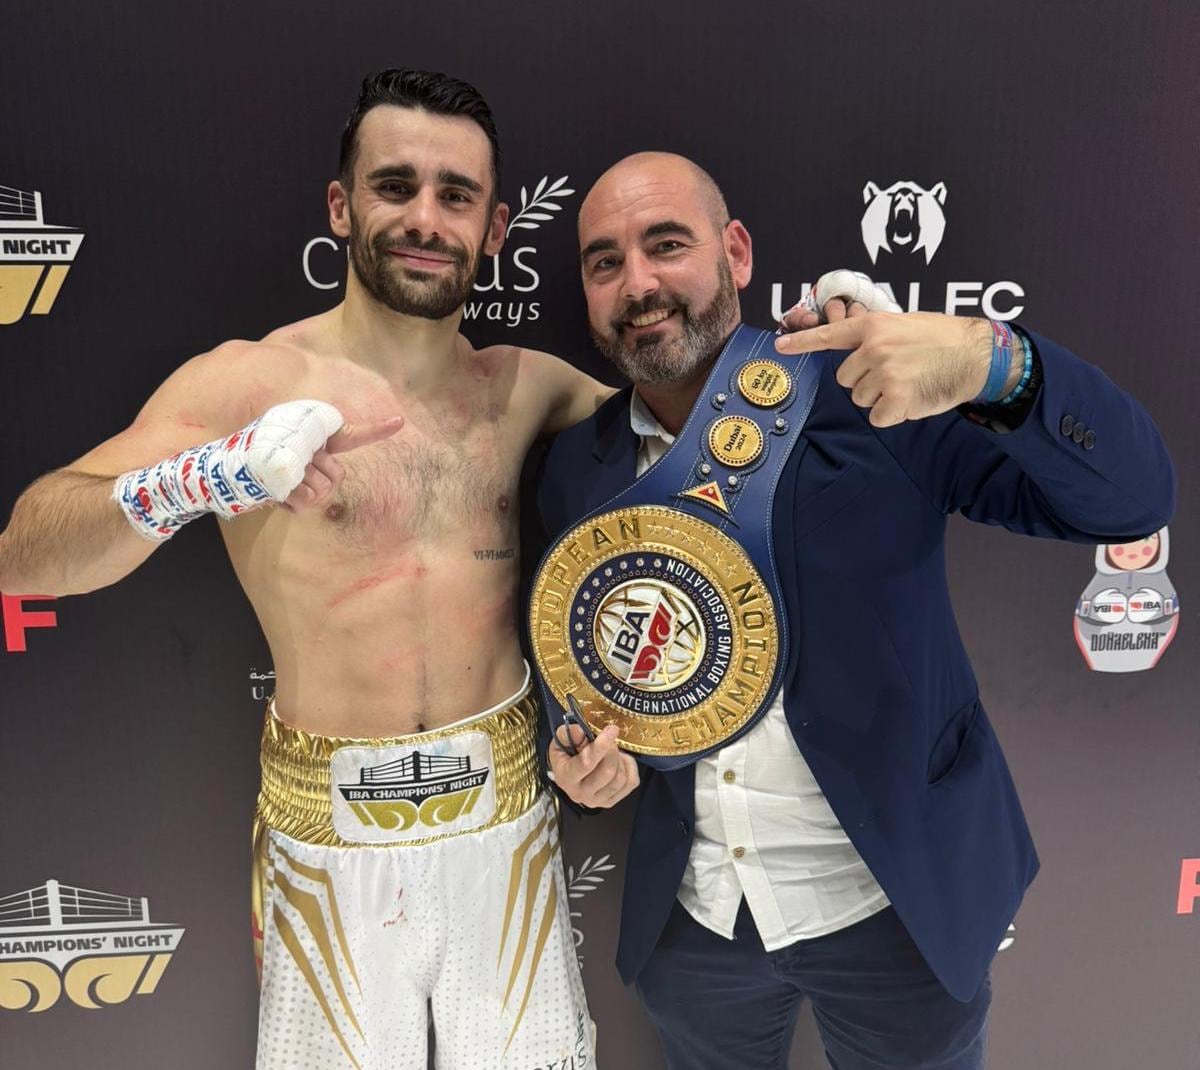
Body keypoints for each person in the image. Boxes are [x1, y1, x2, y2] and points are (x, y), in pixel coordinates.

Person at [0, 68, 611, 1070]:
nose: (425, 216)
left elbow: (700, 460)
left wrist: (842, 351)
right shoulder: (250, 381)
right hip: (326, 843)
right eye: (394, 185)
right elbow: (29, 553)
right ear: (341, 205)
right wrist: (202, 476)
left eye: (456, 194)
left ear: (496, 227)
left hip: (507, 824)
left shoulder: (531, 389)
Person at [536, 152, 1174, 1070]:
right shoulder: (577, 470)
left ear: (737, 253)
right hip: (698, 922)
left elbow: (1132, 498)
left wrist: (996, 363)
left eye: (666, 244)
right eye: (605, 262)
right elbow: (591, 670)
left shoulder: (870, 394)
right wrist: (591, 756)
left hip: (897, 912)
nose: (638, 282)